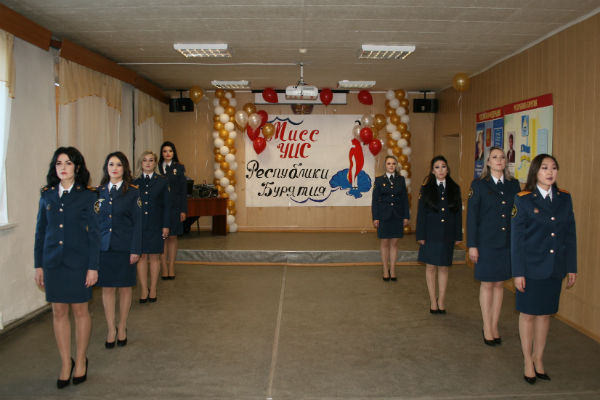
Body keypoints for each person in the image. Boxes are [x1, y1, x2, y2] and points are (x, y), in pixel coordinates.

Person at [34, 147, 99, 388]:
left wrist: (93, 267)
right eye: (59, 163)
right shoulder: (47, 195)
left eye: (68, 163)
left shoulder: (88, 196)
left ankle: (80, 359)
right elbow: (40, 233)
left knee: (80, 312)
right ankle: (65, 362)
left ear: (77, 167)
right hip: (53, 263)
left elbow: (94, 235)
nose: (63, 167)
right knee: (58, 312)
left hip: (78, 263)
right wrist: (39, 265)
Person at [511, 154, 576, 384]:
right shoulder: (524, 199)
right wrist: (518, 272)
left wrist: (571, 267)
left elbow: (570, 235)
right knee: (528, 315)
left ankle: (538, 358)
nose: (550, 172)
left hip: (554, 267)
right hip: (530, 268)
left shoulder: (564, 198)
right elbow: (517, 241)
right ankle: (527, 360)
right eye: (545, 168)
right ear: (535, 172)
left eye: (554, 168)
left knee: (545, 315)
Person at [467, 147, 521, 346]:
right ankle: (486, 325)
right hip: (486, 242)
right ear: (488, 162)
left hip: (506, 242)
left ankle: (494, 324)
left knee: (499, 284)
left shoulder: (514, 185)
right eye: (495, 157)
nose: (499, 160)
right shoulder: (479, 185)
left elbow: (518, 215)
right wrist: (472, 245)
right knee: (487, 284)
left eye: (502, 157)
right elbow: (472, 217)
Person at [96, 151, 142, 348]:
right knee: (107, 289)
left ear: (125, 168)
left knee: (124, 288)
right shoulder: (98, 192)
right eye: (111, 164)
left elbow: (138, 223)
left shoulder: (132, 192)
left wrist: (135, 249)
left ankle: (122, 326)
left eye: (118, 165)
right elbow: (95, 222)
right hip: (104, 248)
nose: (114, 168)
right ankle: (110, 328)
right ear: (106, 168)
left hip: (125, 247)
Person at [416, 155, 462, 314]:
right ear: (432, 171)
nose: (441, 170)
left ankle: (441, 300)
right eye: (437, 167)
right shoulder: (426, 188)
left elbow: (458, 214)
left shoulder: (454, 188)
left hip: (447, 234)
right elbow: (421, 213)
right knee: (430, 267)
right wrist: (420, 235)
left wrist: (458, 235)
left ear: (447, 169)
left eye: (443, 166)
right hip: (430, 233)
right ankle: (432, 301)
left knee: (443, 267)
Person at [133, 151, 171, 303]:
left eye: (151, 160)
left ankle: (153, 288)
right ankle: (144, 289)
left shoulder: (162, 181)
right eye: (145, 160)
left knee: (155, 257)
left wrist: (166, 225)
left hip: (156, 224)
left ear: (155, 163)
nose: (148, 163)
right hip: (139, 225)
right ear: (140, 163)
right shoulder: (135, 182)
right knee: (141, 257)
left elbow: (167, 206)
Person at [371, 155, 410, 281]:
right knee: (384, 243)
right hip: (384, 216)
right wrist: (375, 217)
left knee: (394, 243)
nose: (391, 166)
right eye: (389, 163)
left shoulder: (401, 180)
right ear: (385, 165)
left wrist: (406, 216)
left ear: (396, 165)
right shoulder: (379, 180)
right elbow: (375, 201)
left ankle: (392, 269)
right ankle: (385, 269)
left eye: (393, 163)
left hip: (397, 215)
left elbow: (405, 199)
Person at [158, 141, 187, 280]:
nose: (167, 153)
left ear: (174, 152)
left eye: (170, 151)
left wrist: (183, 210)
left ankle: (171, 267)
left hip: (175, 208)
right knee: (163, 238)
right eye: (165, 151)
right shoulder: (156, 167)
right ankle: (164, 267)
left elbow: (183, 191)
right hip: (160, 208)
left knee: (173, 237)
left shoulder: (179, 167)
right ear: (161, 153)